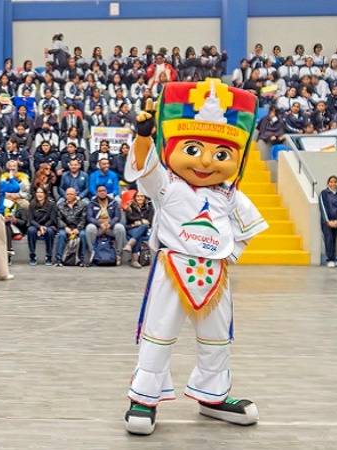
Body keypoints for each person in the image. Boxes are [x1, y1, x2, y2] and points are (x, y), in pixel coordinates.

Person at [124, 80, 267, 435]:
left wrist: (229, 254)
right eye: (193, 149)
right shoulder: (168, 187)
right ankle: (144, 396)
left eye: (220, 155)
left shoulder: (227, 195)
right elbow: (146, 167)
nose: (205, 161)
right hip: (172, 267)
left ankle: (212, 395)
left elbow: (247, 229)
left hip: (215, 275)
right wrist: (143, 137)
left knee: (217, 337)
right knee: (158, 333)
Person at [84, 184, 126, 265]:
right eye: (100, 191)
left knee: (120, 227)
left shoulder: (114, 202)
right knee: (89, 227)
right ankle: (92, 252)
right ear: (97, 193)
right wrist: (100, 224)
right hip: (98, 228)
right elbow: (89, 217)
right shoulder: (92, 203)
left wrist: (110, 224)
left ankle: (118, 254)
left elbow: (117, 217)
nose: (102, 192)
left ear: (106, 192)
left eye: (104, 190)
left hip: (110, 228)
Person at [55, 187, 87, 266]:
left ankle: (81, 260)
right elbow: (58, 219)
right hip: (66, 227)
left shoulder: (82, 205)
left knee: (83, 234)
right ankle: (59, 260)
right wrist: (65, 227)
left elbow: (83, 219)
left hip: (78, 227)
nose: (69, 196)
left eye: (71, 194)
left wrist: (78, 229)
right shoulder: (60, 205)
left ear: (76, 195)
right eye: (67, 194)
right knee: (61, 235)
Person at [26, 187, 57, 266]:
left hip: (48, 225)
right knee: (31, 230)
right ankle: (32, 256)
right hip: (36, 225)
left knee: (50, 231)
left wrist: (44, 227)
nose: (39, 194)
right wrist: (39, 227)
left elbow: (52, 219)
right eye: (37, 192)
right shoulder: (32, 204)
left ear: (45, 194)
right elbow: (31, 219)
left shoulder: (51, 204)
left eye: (41, 192)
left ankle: (49, 256)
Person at [319, 175, 337, 268]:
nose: (333, 183)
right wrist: (328, 221)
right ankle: (329, 259)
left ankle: (334, 258)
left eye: (335, 182)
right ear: (328, 183)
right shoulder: (323, 193)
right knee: (328, 240)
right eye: (331, 182)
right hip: (326, 222)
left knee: (334, 240)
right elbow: (323, 208)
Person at [123, 191, 154, 268]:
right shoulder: (130, 206)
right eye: (138, 196)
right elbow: (130, 218)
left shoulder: (149, 207)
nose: (140, 198)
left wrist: (138, 222)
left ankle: (129, 244)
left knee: (144, 226)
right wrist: (141, 221)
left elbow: (149, 221)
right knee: (139, 236)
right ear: (135, 197)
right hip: (131, 229)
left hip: (144, 229)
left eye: (142, 196)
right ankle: (134, 260)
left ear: (145, 198)